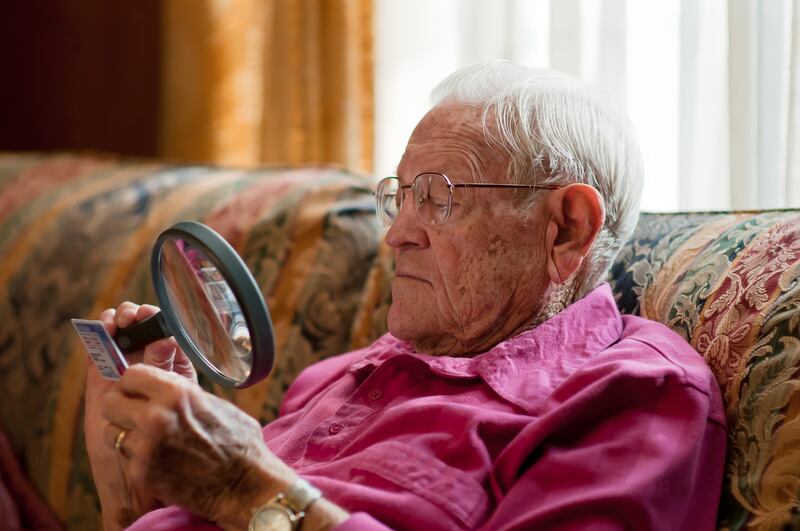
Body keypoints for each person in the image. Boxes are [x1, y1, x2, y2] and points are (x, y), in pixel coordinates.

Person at [84, 61, 727, 531]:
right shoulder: (341, 377)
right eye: (400, 196)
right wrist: (122, 463)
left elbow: (248, 503)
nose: (395, 234)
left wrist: (240, 483)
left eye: (438, 198)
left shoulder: (634, 396)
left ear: (567, 229)